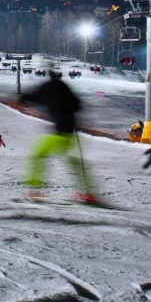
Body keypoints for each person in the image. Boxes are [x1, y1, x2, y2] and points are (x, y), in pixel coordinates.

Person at [19, 70, 100, 204]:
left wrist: (22, 99)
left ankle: (35, 192)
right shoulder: (64, 87)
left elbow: (35, 96)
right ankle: (88, 193)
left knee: (38, 155)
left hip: (61, 131)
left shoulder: (50, 88)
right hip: (69, 131)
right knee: (74, 162)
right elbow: (77, 105)